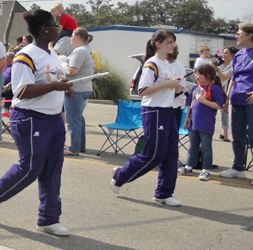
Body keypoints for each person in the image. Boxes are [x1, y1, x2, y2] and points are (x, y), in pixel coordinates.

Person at [0, 10, 72, 235]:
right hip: (31, 119)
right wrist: (54, 87)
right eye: (54, 25)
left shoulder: (51, 55)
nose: (58, 29)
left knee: (53, 169)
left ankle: (49, 219)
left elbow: (53, 84)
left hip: (53, 119)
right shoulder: (26, 56)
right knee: (31, 167)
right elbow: (21, 91)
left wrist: (64, 90)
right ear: (44, 29)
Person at [111, 30, 183, 205]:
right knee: (154, 154)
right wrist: (168, 84)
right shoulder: (152, 63)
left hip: (168, 111)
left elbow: (165, 89)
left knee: (171, 154)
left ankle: (164, 193)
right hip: (154, 112)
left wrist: (176, 89)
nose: (173, 45)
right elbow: (142, 90)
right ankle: (120, 176)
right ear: (158, 44)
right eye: (169, 42)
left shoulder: (166, 63)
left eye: (173, 42)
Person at [219, 24, 253, 181]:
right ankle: (238, 168)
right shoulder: (239, 55)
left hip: (251, 100)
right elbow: (234, 77)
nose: (236, 36)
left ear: (250, 35)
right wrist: (227, 95)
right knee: (238, 135)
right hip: (237, 99)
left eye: (239, 33)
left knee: (252, 135)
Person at [180, 64, 224, 181]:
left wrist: (203, 101)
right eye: (196, 74)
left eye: (199, 74)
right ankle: (189, 166)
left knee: (206, 147)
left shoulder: (214, 88)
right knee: (192, 146)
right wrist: (186, 120)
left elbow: (219, 105)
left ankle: (206, 170)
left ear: (208, 75)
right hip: (193, 123)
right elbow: (190, 106)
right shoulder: (196, 88)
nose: (196, 76)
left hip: (206, 124)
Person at [63, 28, 95, 156]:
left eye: (72, 36)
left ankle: (74, 148)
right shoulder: (86, 50)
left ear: (78, 37)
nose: (70, 38)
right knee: (78, 118)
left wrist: (62, 65)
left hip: (76, 88)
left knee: (73, 119)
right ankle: (80, 146)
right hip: (85, 87)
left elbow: (72, 71)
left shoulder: (79, 51)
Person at [217, 46, 237, 141]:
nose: (223, 55)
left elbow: (225, 77)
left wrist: (216, 69)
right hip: (215, 88)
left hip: (226, 90)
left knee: (224, 111)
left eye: (226, 53)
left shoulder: (234, 65)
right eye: (223, 53)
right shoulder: (219, 63)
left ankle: (225, 133)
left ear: (232, 55)